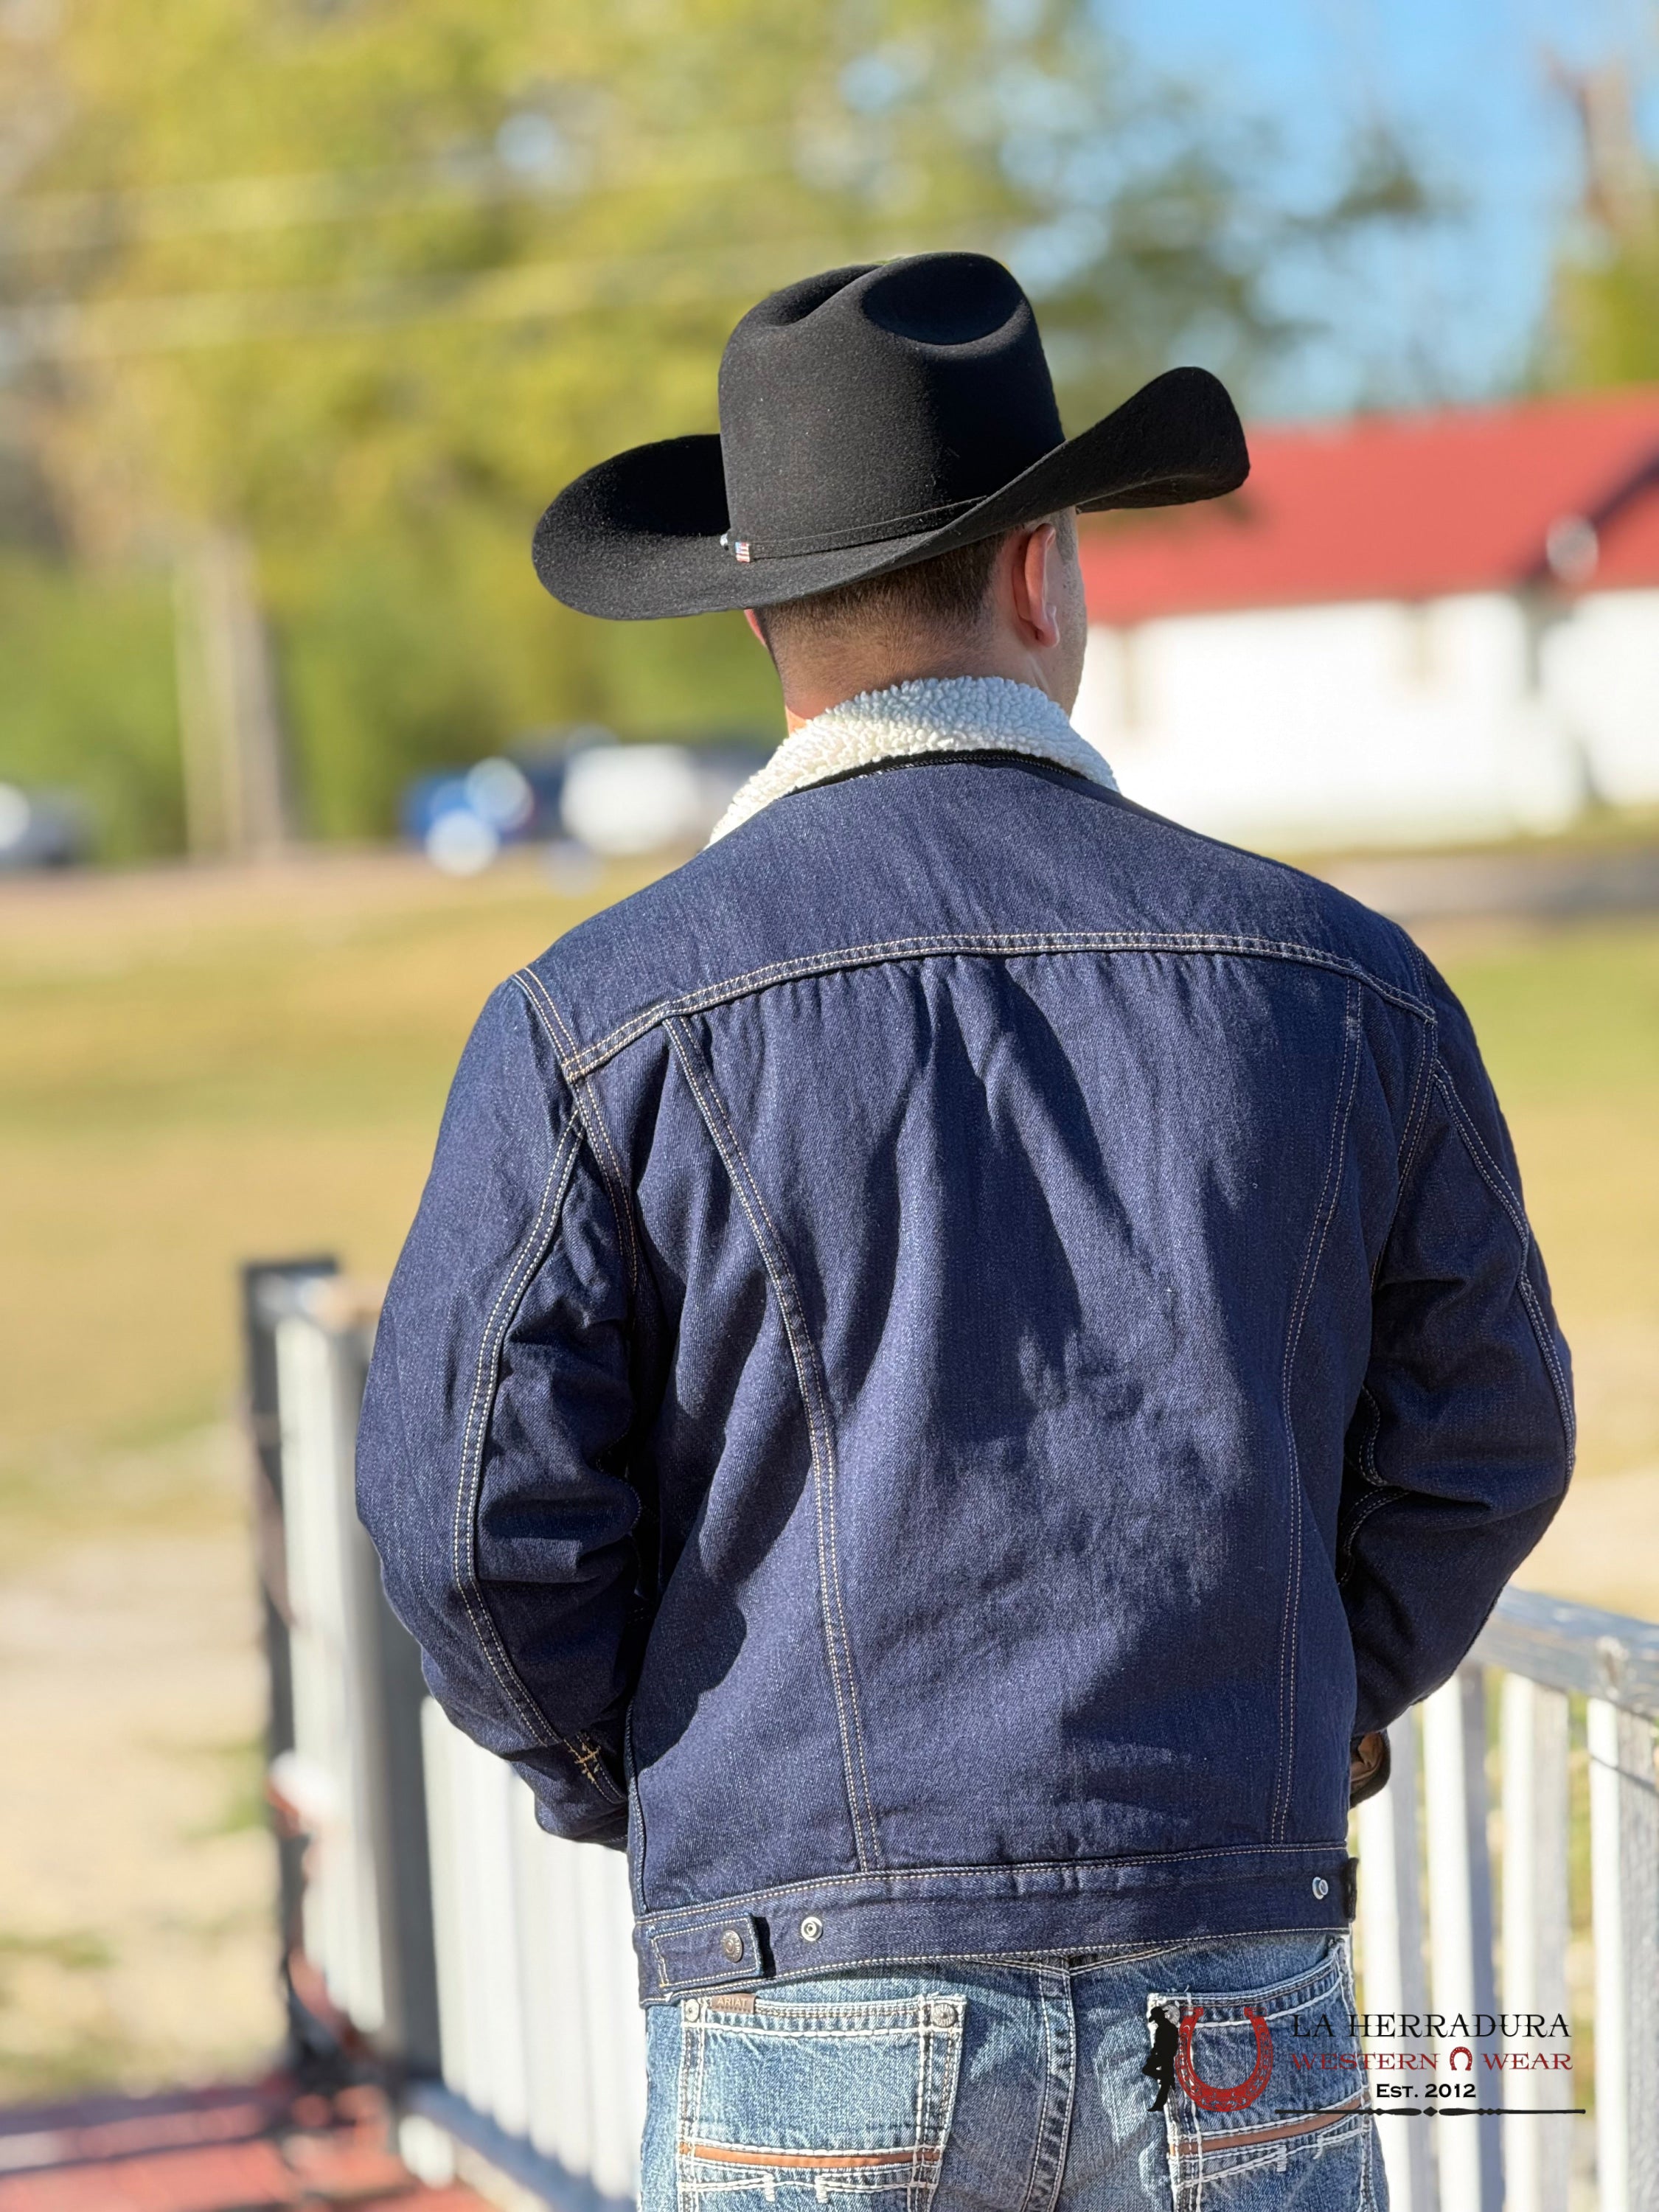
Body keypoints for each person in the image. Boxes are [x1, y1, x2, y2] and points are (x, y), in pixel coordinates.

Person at [357, 253, 1573, 2211]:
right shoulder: (1337, 983)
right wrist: (1291, 1705)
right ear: (1043, 573)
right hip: (1226, 1956)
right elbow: (1483, 1434)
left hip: (801, 1980)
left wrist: (646, 1764)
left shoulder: (599, 1020)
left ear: (757, 611)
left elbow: (470, 1525)